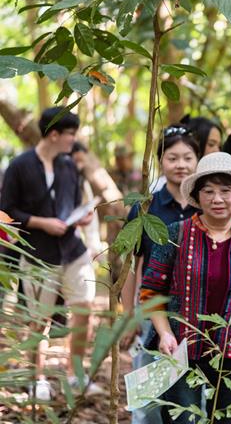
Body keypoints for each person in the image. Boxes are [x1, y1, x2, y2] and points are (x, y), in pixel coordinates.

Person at [140, 152, 231, 424]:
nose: (217, 199)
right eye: (209, 191)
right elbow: (151, 291)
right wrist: (165, 334)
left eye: (226, 191)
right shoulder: (174, 234)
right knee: (182, 420)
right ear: (197, 195)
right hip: (181, 348)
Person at [0, 107, 97, 400]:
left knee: (84, 310)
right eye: (70, 134)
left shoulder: (69, 166)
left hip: (73, 250)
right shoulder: (20, 166)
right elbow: (7, 210)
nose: (73, 140)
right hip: (38, 253)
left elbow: (72, 202)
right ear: (54, 134)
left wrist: (80, 217)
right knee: (38, 320)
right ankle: (38, 379)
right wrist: (42, 223)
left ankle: (75, 375)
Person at [120, 124, 199, 424]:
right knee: (148, 396)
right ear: (160, 162)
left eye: (188, 157)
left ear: (198, 160)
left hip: (194, 312)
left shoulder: (205, 205)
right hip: (151, 307)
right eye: (172, 158)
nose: (181, 165)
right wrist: (128, 314)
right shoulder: (146, 208)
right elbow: (129, 264)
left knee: (192, 395)